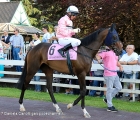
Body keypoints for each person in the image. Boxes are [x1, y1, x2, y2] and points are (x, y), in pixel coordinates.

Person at [96, 47, 123, 112]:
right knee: (110, 89)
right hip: (108, 74)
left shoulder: (114, 53)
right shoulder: (105, 52)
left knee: (119, 87)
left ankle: (107, 99)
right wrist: (98, 57)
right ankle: (109, 106)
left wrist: (120, 66)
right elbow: (98, 56)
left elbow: (116, 62)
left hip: (115, 73)